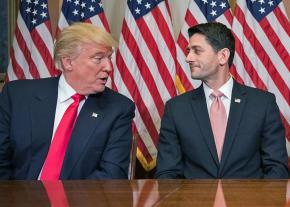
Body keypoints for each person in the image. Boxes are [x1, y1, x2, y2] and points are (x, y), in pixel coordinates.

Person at [0, 23, 135, 180]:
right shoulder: (17, 96)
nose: (109, 67)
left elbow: (111, 176)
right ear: (68, 62)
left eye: (109, 58)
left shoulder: (118, 109)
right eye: (98, 58)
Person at [155, 22, 288, 179]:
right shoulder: (176, 109)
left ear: (223, 56)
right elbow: (167, 174)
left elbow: (276, 168)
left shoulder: (262, 104)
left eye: (196, 51)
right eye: (188, 51)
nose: (188, 58)